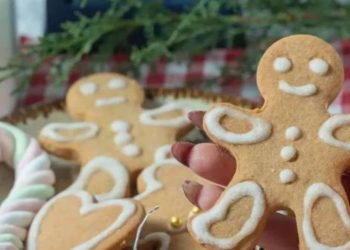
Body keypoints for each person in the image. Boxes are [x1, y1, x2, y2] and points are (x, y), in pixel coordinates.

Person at [171, 111, 350, 250]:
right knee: (250, 194)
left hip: (318, 187)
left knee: (323, 211)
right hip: (261, 178)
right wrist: (216, 119)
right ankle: (224, 228)